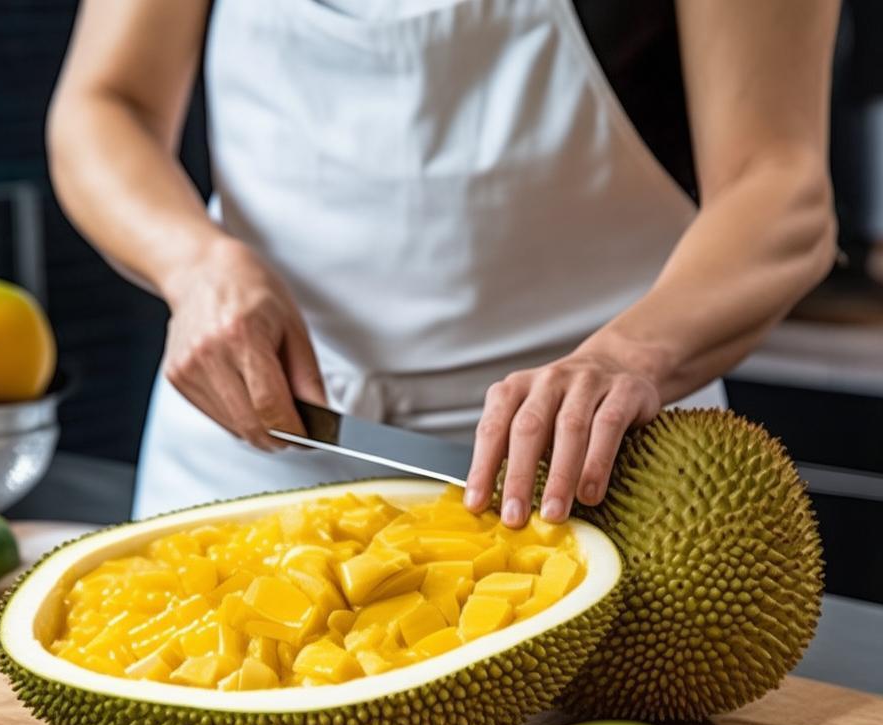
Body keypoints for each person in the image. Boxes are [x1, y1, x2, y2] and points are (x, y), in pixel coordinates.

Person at [47, 0, 838, 527]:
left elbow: (781, 187)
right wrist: (194, 266)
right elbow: (104, 103)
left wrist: (629, 357)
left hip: (600, 472)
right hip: (252, 436)